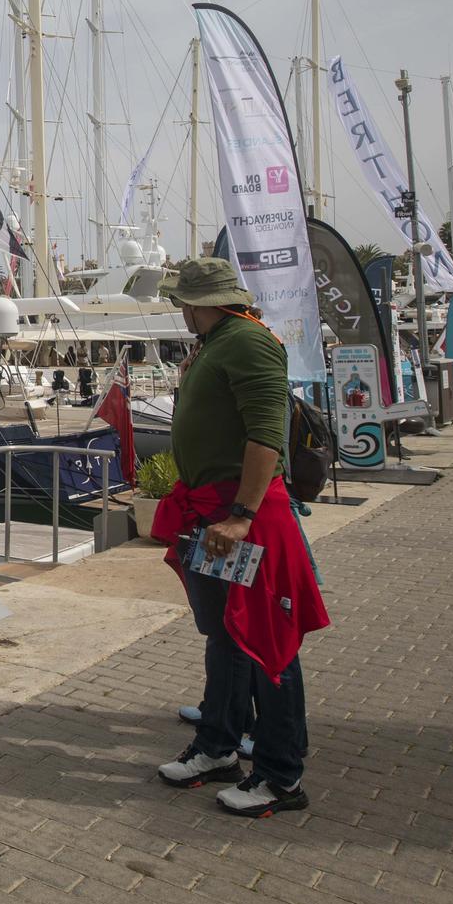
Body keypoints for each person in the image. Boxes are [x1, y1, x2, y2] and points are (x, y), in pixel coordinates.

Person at [149, 259, 328, 817]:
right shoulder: (217, 341)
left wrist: (242, 514)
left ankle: (280, 776)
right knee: (225, 636)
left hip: (239, 517)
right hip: (211, 513)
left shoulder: (247, 343)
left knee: (270, 646)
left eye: (182, 302)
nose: (180, 311)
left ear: (202, 303)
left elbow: (265, 433)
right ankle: (219, 746)